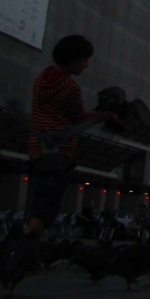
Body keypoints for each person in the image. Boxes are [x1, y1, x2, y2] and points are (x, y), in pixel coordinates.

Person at [26, 35, 120, 237]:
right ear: (72, 60)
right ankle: (28, 248)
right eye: (84, 60)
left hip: (37, 147)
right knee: (49, 203)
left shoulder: (41, 79)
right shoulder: (70, 87)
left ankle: (28, 243)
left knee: (38, 199)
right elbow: (79, 118)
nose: (86, 65)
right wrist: (107, 114)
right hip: (59, 151)